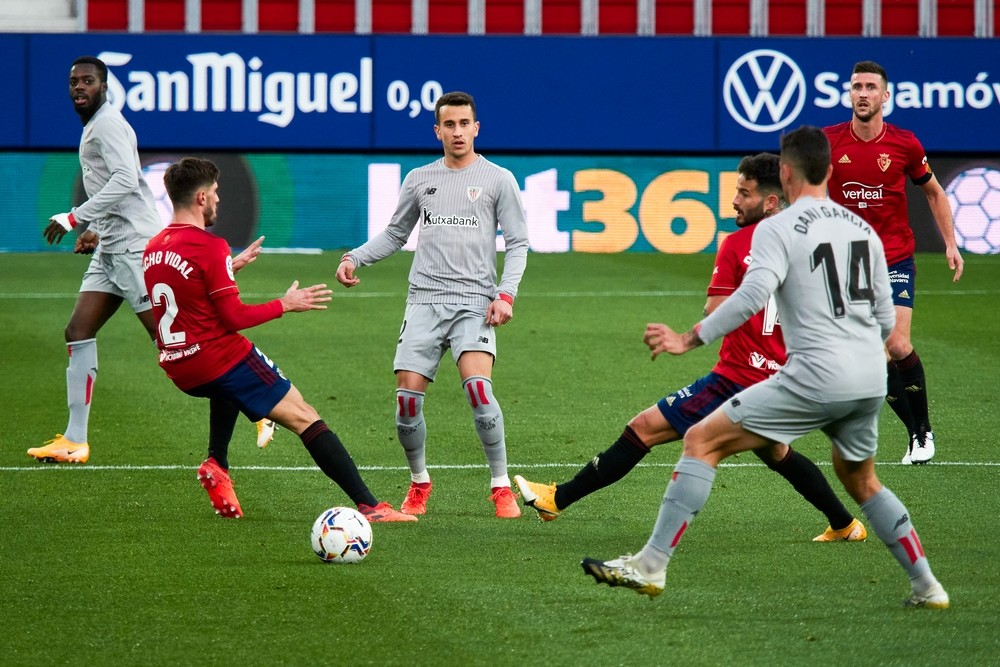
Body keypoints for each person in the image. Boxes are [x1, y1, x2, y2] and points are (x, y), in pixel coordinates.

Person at [581, 126, 949, 610]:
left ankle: (650, 565)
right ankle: (928, 587)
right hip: (867, 378)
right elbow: (885, 318)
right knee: (862, 480)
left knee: (700, 439)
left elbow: (750, 296)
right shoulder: (862, 230)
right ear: (831, 171)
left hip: (817, 374)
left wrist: (688, 338)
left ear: (787, 172)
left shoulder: (777, 228)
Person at [515, 153, 865, 542]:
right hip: (780, 380)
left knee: (643, 428)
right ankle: (845, 524)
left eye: (743, 193)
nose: (734, 200)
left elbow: (716, 310)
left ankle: (557, 500)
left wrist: (690, 331)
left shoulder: (738, 244)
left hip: (736, 379)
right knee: (776, 453)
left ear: (770, 202)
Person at [142, 157, 415, 523]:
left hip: (179, 366)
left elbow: (185, 289)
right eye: (217, 193)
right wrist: (285, 304)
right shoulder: (210, 247)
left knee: (227, 385)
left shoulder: (155, 246)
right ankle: (371, 506)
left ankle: (217, 462)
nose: (220, 200)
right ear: (202, 198)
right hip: (215, 357)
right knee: (304, 416)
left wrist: (229, 268)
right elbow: (234, 317)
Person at [28, 55, 271, 464]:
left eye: (87, 81)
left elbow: (127, 179)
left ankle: (260, 404)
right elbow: (119, 187)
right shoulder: (96, 126)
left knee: (177, 345)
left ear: (103, 86)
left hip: (135, 251)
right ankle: (74, 439)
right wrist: (96, 229)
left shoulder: (108, 124)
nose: (79, 88)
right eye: (74, 82)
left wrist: (75, 216)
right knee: (78, 330)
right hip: (111, 246)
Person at [335, 91, 529, 519]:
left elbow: (517, 243)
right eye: (449, 125)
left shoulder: (498, 179)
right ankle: (420, 481)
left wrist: (506, 294)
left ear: (476, 128)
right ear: (437, 130)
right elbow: (394, 234)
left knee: (479, 390)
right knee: (406, 402)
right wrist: (354, 256)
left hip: (474, 302)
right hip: (424, 300)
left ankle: (500, 486)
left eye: (464, 124)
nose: (457, 132)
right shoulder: (420, 179)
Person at [824, 60, 964, 464]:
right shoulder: (829, 143)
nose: (862, 93)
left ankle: (922, 435)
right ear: (849, 94)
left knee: (897, 343)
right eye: (856, 87)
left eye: (870, 87)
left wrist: (950, 244)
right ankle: (919, 432)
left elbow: (935, 193)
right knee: (869, 360)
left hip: (895, 257)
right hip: (847, 265)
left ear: (885, 96)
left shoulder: (905, 144)